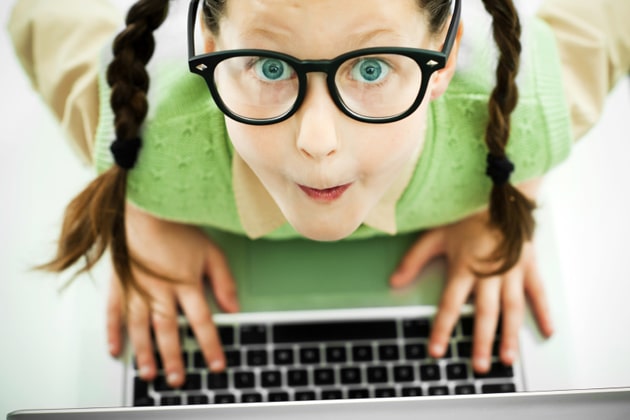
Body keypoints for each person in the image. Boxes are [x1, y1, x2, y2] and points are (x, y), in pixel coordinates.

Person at [8, 0, 629, 391]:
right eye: (270, 67)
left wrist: (504, 197)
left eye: (372, 67)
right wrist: (144, 210)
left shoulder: (521, 113)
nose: (318, 143)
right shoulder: (143, 138)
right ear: (212, 49)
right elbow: (35, 14)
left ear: (445, 60)